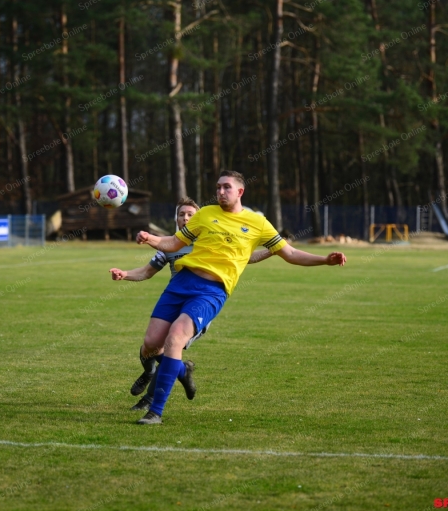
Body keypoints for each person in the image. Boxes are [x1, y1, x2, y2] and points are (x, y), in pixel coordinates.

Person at [132, 170, 347, 424]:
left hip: (212, 291)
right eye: (218, 188)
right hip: (181, 282)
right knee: (152, 343)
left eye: (226, 188)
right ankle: (183, 370)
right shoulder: (205, 214)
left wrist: (324, 260)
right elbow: (174, 243)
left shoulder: (258, 223)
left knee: (176, 337)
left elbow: (289, 253)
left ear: (240, 192)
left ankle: (155, 412)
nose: (220, 192)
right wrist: (150, 238)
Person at [109, 197, 272, 411]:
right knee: (150, 345)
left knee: (170, 346)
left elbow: (246, 257)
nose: (185, 218)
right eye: (181, 214)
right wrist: (125, 274)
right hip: (175, 298)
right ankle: (178, 370)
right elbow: (147, 272)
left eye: (190, 215)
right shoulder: (170, 246)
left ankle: (149, 401)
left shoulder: (210, 242)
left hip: (198, 304)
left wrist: (272, 250)